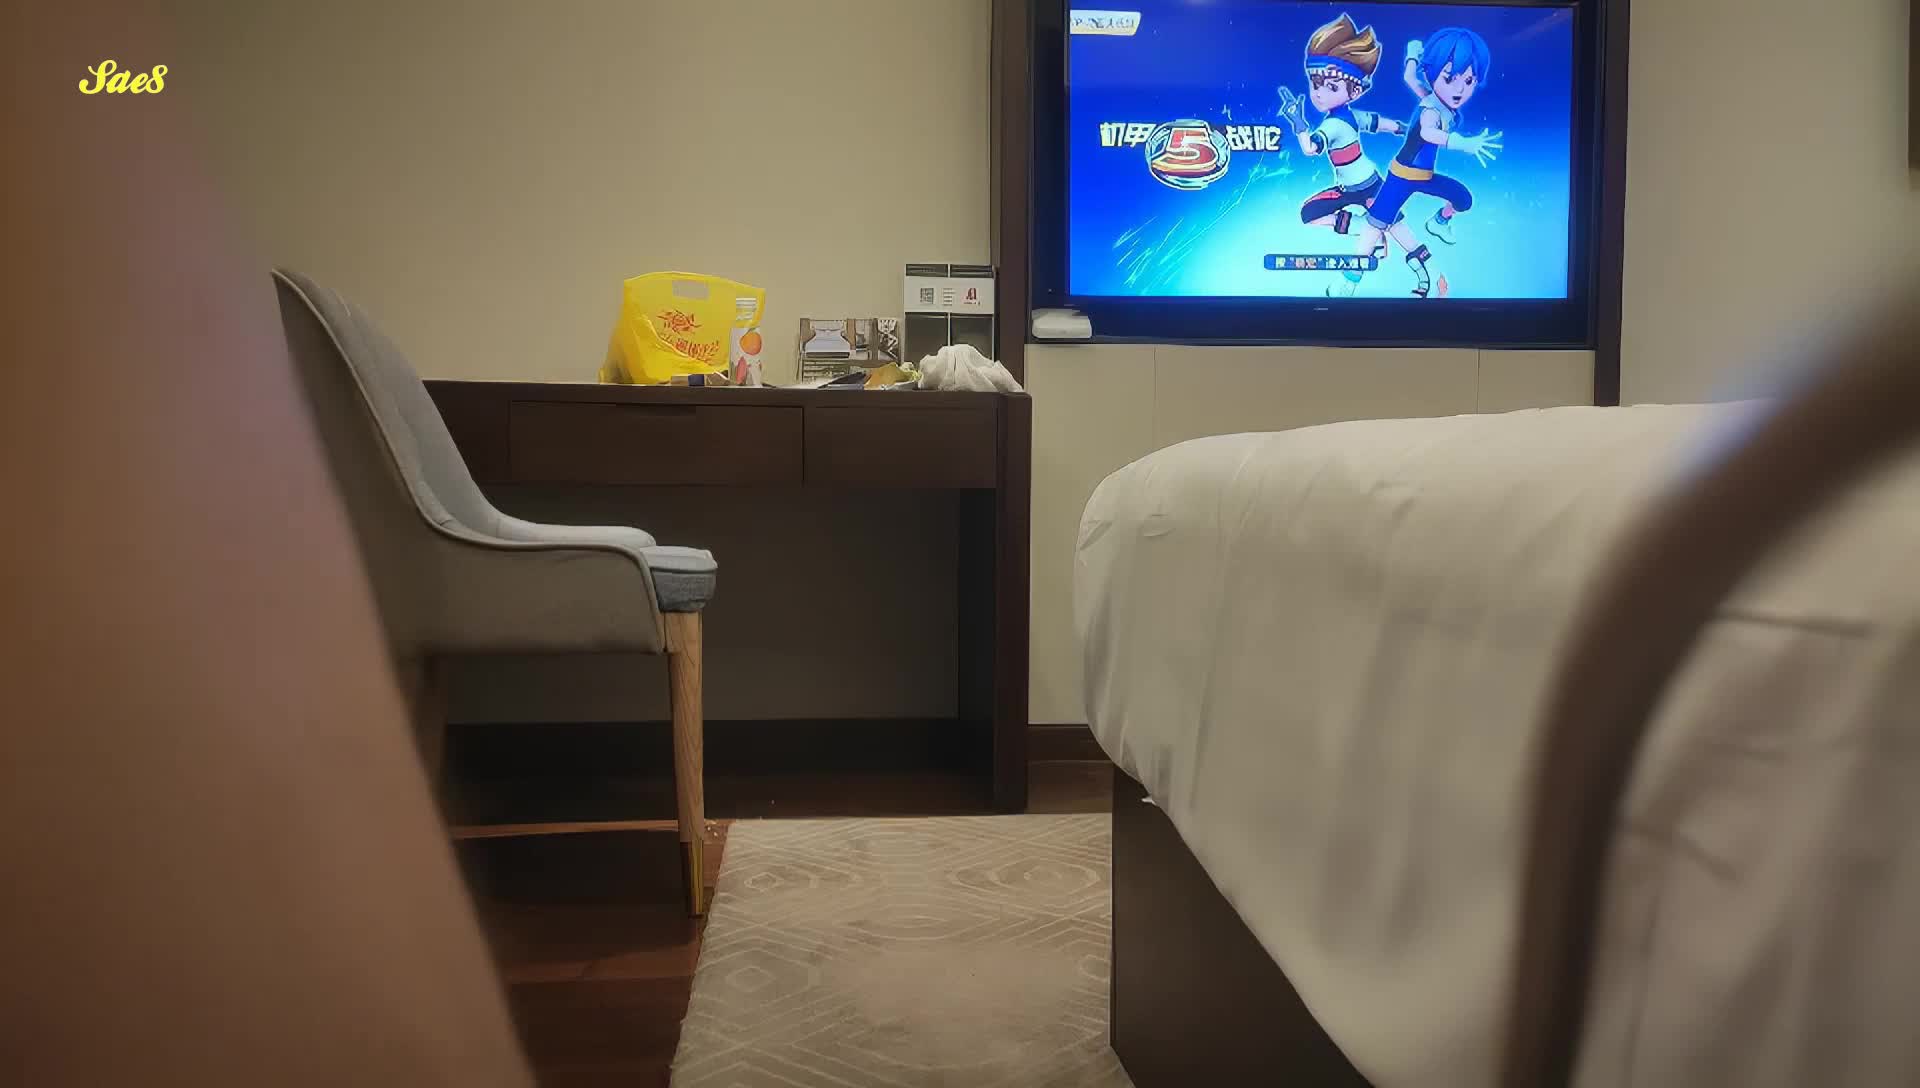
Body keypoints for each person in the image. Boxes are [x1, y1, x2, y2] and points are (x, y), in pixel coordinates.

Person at [1351, 27, 1504, 297]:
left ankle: (1439, 222)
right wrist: (1462, 143)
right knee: (1376, 224)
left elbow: (1409, 77)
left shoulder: (1437, 101)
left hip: (1425, 177)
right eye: (1449, 78)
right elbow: (1428, 133)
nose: (1460, 88)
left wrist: (1412, 54)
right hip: (1401, 176)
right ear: (1434, 73)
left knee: (1463, 198)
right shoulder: (1431, 109)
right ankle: (1349, 279)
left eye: (1469, 80)